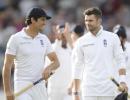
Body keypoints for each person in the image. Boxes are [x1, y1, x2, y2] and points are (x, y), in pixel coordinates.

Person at [2, 7, 60, 100]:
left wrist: (48, 68)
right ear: (33, 20)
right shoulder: (15, 38)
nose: (45, 23)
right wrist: (8, 91)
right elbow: (7, 67)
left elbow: (56, 62)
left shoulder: (44, 39)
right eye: (42, 20)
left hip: (40, 86)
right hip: (22, 85)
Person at [72, 7, 128, 100]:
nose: (87, 23)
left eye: (90, 20)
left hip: (108, 90)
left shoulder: (112, 37)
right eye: (86, 20)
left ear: (99, 21)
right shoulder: (81, 41)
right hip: (89, 90)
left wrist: (122, 81)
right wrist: (76, 91)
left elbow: (120, 60)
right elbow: (78, 67)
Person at [47, 23, 72, 100]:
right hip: (54, 90)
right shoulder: (51, 47)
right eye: (60, 32)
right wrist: (58, 39)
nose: (62, 34)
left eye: (64, 32)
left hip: (68, 89)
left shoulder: (73, 48)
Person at [113, 24, 130, 99]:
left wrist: (124, 82)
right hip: (114, 82)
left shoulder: (129, 48)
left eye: (121, 36)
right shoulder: (111, 48)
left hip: (127, 81)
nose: (119, 38)